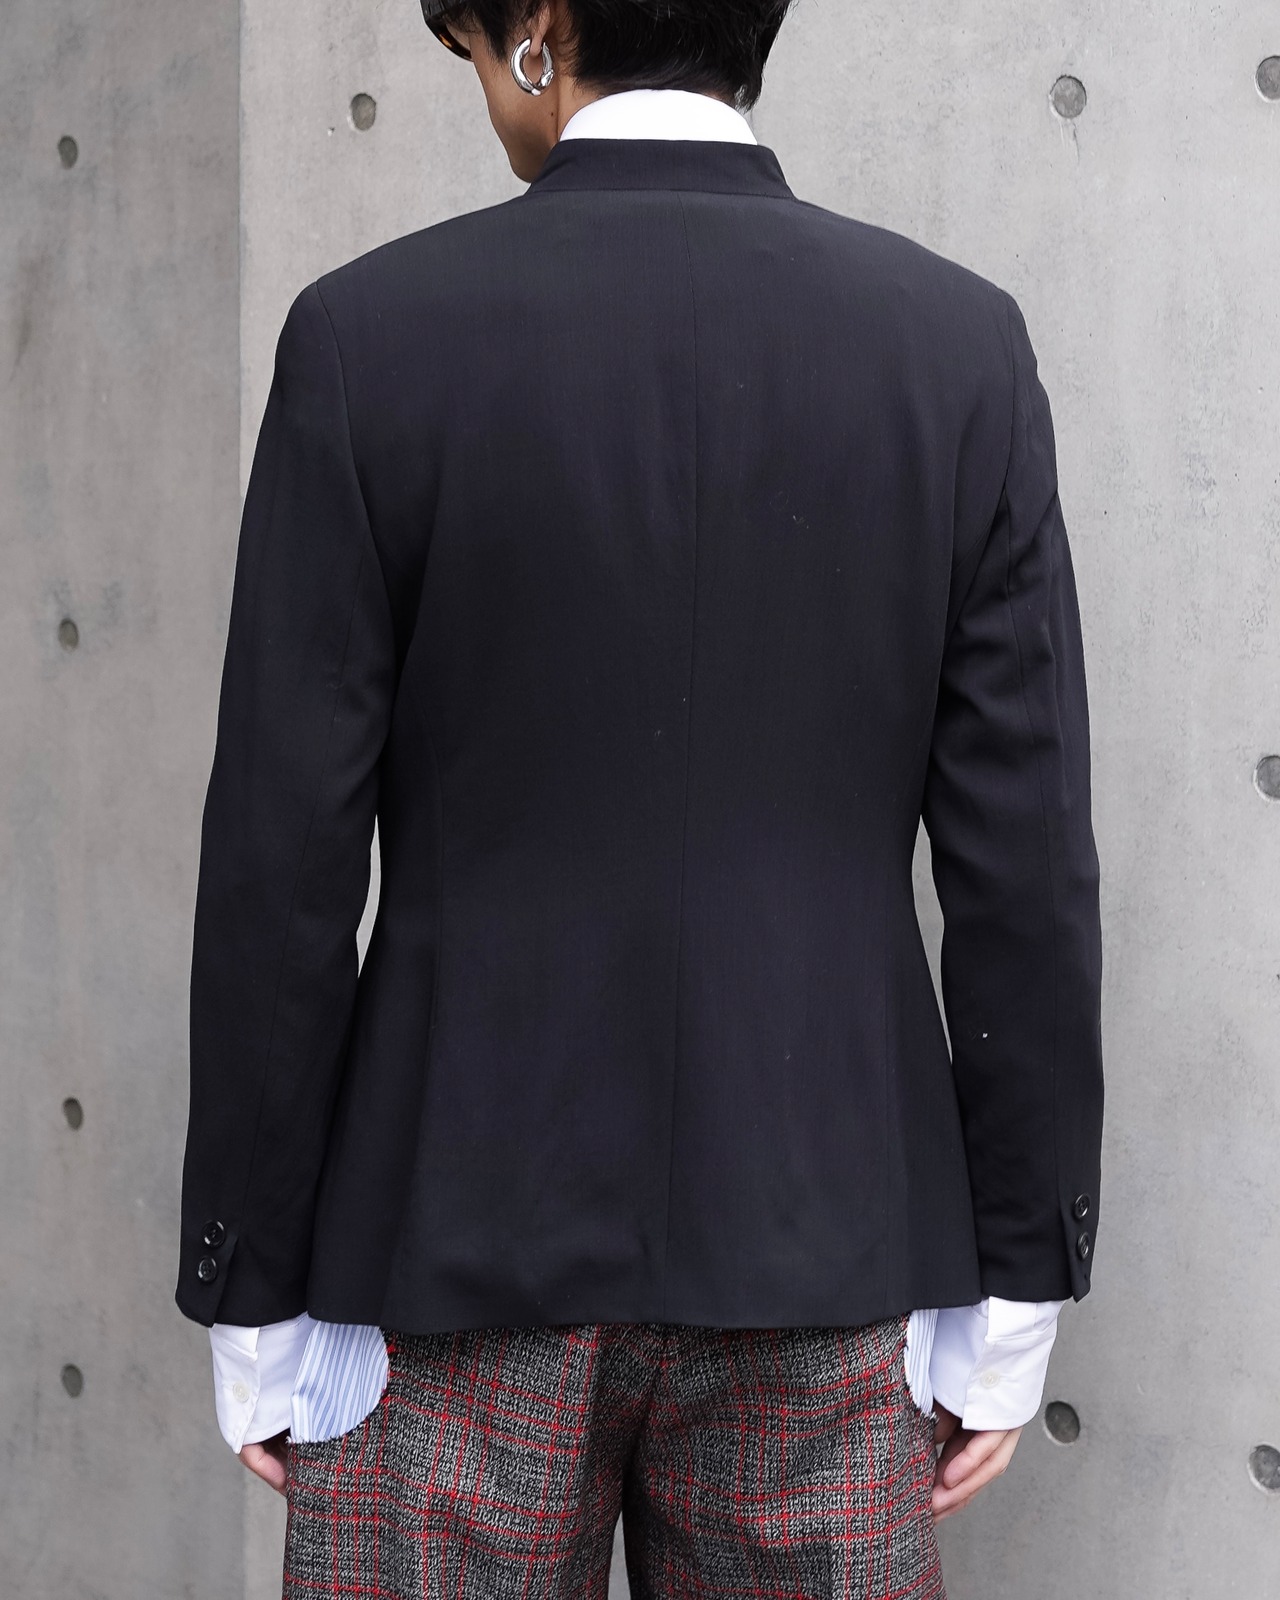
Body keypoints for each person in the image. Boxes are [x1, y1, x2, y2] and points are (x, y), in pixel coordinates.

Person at [175, 2, 1104, 1595]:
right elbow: (1025, 861)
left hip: (441, 1265)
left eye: (477, 51)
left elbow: (282, 860)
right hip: (828, 1249)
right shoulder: (957, 347)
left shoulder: (366, 337)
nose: (490, 93)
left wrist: (250, 1281)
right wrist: (1018, 1280)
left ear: (540, 29)